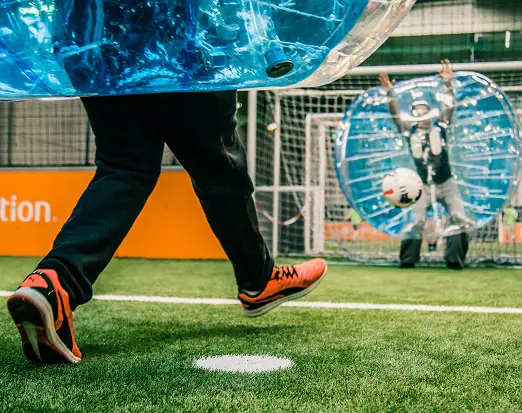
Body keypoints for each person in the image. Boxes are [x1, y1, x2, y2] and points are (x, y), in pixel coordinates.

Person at [6, 6, 327, 365]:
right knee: (218, 167)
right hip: (173, 30)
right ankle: (259, 280)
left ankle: (53, 284)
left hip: (90, 34)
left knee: (124, 167)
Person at [379, 59, 470, 270]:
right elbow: (395, 116)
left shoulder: (440, 127)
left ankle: (455, 260)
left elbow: (449, 108)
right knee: (415, 222)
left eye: (424, 111)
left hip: (446, 182)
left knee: (460, 219)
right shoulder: (409, 132)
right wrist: (389, 94)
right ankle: (408, 260)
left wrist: (447, 83)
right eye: (417, 112)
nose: (421, 116)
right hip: (421, 187)